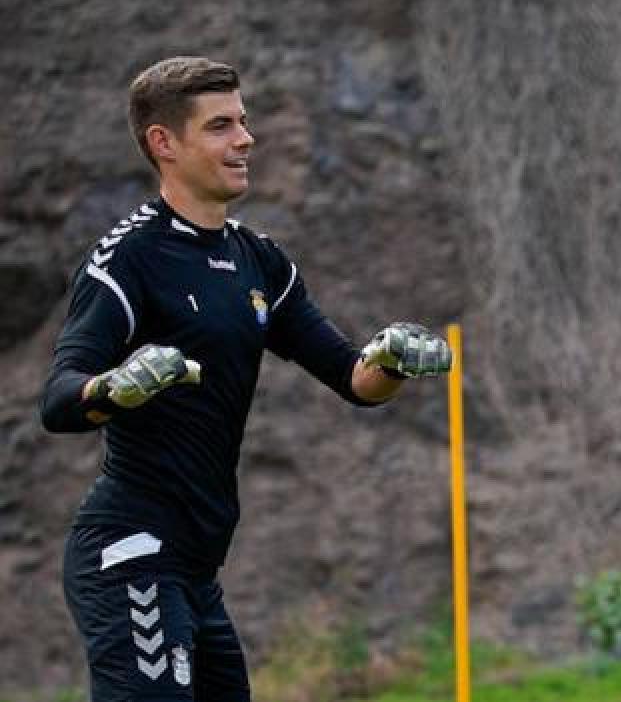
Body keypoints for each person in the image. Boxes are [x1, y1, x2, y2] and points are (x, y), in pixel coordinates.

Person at [41, 56, 452, 701]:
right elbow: (59, 398)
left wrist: (391, 361)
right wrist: (118, 386)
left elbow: (353, 379)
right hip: (130, 555)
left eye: (244, 122)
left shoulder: (257, 260)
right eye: (221, 126)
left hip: (196, 569)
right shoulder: (130, 258)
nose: (246, 139)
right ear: (164, 144)